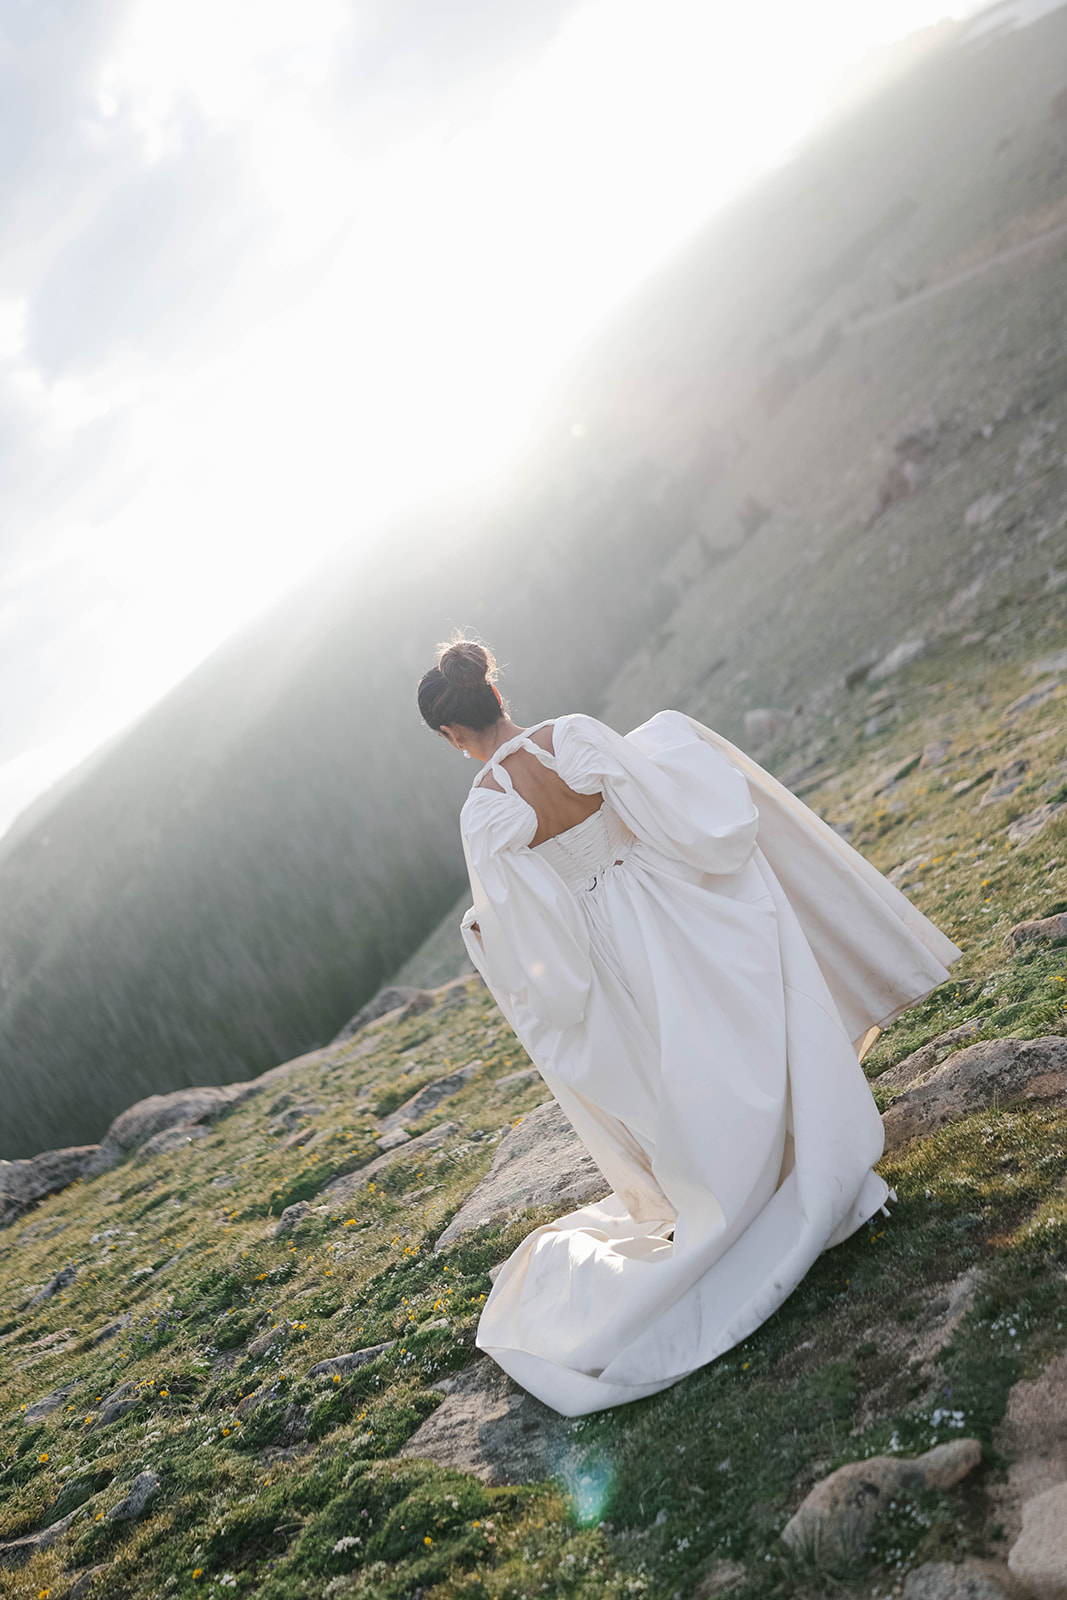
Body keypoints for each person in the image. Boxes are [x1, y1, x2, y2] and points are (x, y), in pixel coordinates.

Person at [416, 638, 960, 1418]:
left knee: (678, 1071)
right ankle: (791, 1151)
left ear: (452, 734)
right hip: (665, 901)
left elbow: (528, 933)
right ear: (494, 693)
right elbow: (659, 804)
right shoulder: (573, 734)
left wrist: (485, 933)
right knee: (730, 1031)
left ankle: (736, 1185)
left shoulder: (484, 809)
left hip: (606, 942)